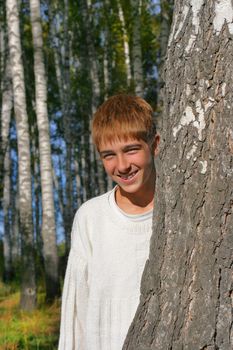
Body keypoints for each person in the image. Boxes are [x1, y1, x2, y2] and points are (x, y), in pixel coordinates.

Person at [58, 94, 160, 350]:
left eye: (131, 150)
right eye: (109, 155)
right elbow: (76, 313)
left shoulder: (180, 214)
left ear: (155, 145)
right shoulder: (91, 218)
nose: (122, 166)